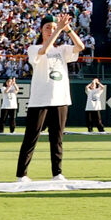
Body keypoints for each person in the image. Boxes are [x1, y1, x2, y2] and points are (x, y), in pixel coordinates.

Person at [16, 14, 85, 181]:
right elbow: (43, 50)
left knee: (57, 139)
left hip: (60, 99)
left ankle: (57, 172)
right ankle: (21, 174)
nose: (51, 30)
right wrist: (58, 30)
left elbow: (80, 46)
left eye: (54, 27)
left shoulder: (62, 50)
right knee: (31, 138)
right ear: (41, 29)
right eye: (48, 27)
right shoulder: (34, 48)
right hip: (40, 99)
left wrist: (67, 29)